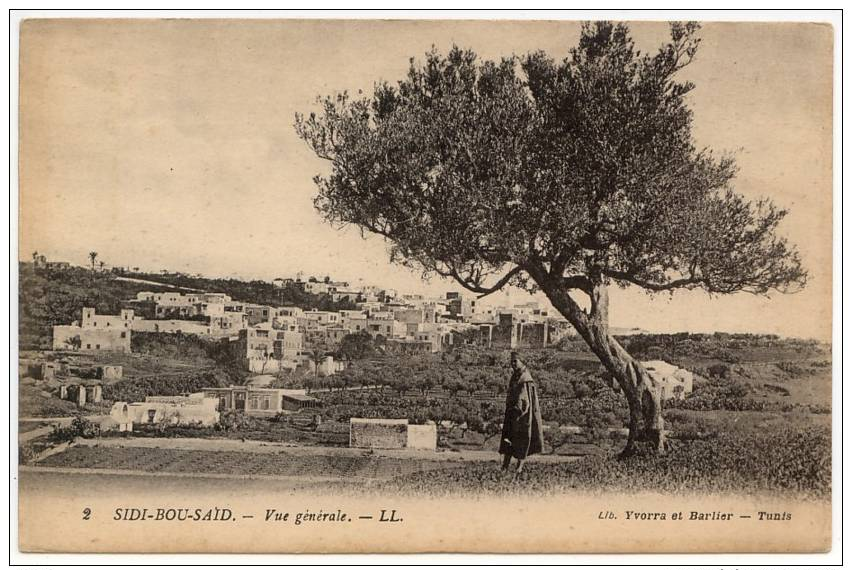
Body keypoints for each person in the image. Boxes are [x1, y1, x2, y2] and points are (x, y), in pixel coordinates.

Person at [499, 351, 545, 475]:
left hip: (521, 415)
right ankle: (505, 466)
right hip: (512, 413)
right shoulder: (516, 376)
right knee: (508, 440)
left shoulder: (525, 379)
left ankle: (519, 468)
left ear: (522, 361)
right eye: (511, 361)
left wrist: (517, 410)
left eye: (515, 361)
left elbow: (523, 400)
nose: (513, 364)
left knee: (521, 440)